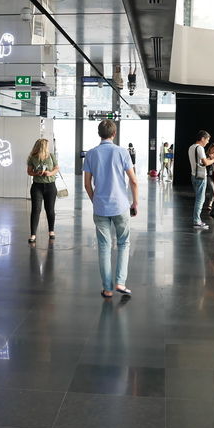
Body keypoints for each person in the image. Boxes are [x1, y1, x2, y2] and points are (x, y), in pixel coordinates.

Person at [84, 120, 140, 298]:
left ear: (99, 133)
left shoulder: (91, 154)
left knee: (103, 246)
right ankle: (120, 283)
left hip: (100, 206)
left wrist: (96, 201)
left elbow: (87, 184)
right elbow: (134, 180)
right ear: (114, 134)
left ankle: (107, 288)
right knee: (123, 243)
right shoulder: (122, 152)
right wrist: (135, 203)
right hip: (120, 205)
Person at [26, 138, 59, 244]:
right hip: (37, 186)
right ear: (42, 146)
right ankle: (33, 234)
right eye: (47, 145)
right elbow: (29, 172)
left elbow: (57, 168)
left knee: (50, 210)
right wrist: (37, 173)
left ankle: (51, 231)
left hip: (50, 186)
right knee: (36, 210)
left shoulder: (51, 156)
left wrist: (50, 173)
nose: (48, 147)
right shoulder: (32, 158)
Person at [187, 130, 214, 229]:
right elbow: (206, 163)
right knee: (200, 199)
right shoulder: (200, 148)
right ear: (202, 138)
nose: (207, 142)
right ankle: (197, 221)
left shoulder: (191, 147)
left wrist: (210, 158)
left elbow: (199, 162)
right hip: (200, 176)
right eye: (207, 139)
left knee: (198, 198)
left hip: (193, 175)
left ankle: (197, 219)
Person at [203, 142, 214, 215]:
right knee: (212, 189)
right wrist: (211, 157)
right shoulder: (206, 155)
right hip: (208, 175)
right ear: (211, 148)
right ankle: (212, 204)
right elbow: (204, 163)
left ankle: (210, 204)